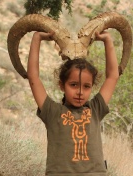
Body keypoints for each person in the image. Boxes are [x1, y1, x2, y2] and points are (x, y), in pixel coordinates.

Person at [27, 30, 119, 175]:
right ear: (62, 85)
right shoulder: (53, 112)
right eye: (74, 85)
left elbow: (113, 76)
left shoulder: (95, 109)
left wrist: (107, 40)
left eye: (86, 86)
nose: (80, 92)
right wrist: (37, 38)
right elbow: (33, 77)